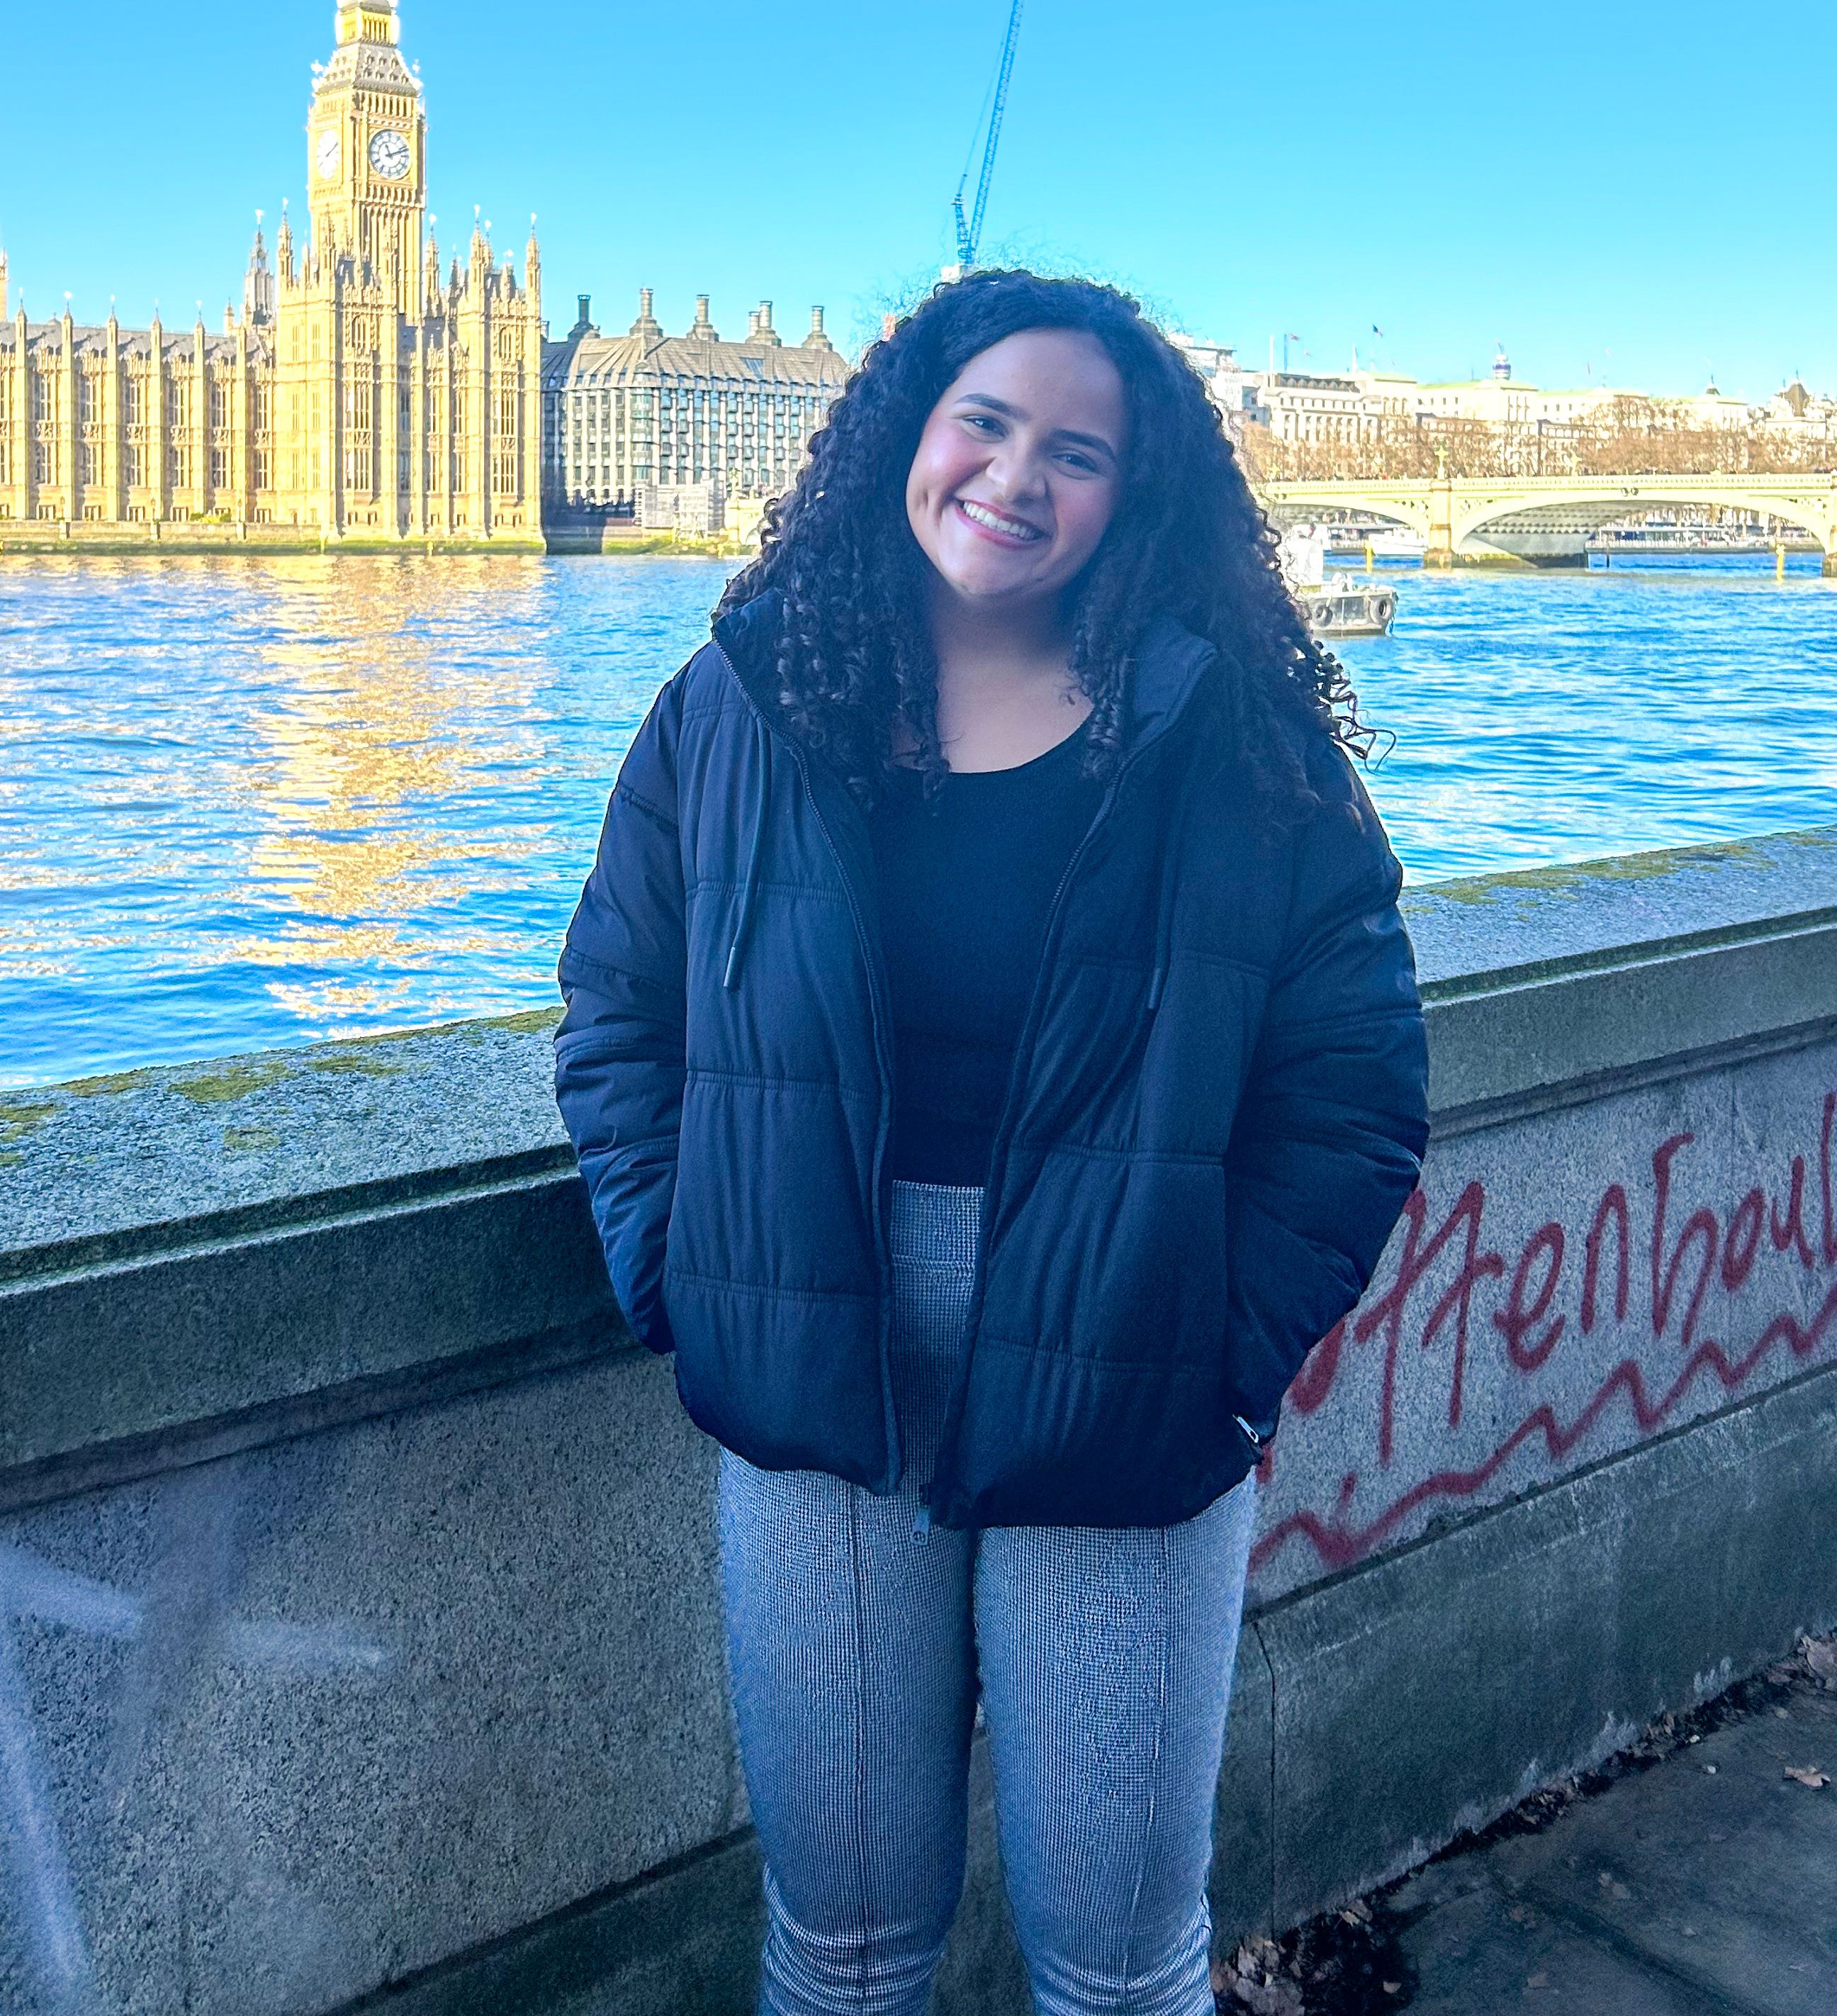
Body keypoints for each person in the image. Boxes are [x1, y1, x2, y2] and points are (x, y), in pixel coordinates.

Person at [555, 270, 1429, 2016]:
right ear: (909, 435)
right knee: (842, 1948)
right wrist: (686, 1278)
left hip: (1127, 1360)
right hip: (817, 1352)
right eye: (987, 424)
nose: (1017, 477)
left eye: (1077, 453)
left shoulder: (1234, 747)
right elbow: (615, 1013)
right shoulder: (738, 709)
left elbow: (1355, 1090)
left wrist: (1218, 1350)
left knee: (1117, 1969)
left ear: (1134, 498)